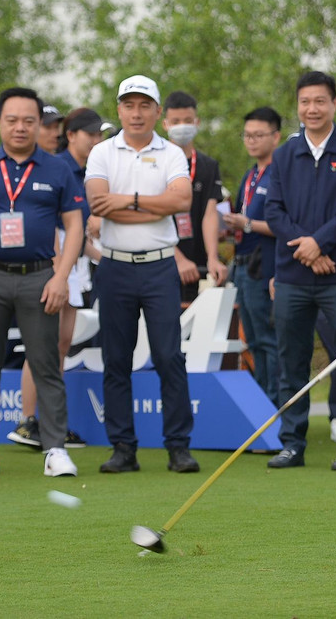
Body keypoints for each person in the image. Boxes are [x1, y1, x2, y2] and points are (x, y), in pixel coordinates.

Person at [0, 87, 83, 479]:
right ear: (0, 122)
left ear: (40, 124)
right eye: (12, 120)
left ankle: (55, 448)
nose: (20, 127)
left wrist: (61, 277)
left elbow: (75, 225)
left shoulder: (58, 170)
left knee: (46, 365)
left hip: (40, 277)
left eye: (28, 120)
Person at [85, 74, 199, 475]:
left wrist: (128, 200)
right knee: (116, 359)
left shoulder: (171, 153)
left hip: (159, 265)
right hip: (114, 266)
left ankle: (178, 446)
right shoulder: (102, 152)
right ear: (119, 109)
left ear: (157, 112)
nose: (136, 113)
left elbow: (181, 200)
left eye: (144, 105)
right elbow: (98, 204)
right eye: (129, 105)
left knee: (170, 356)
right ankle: (123, 447)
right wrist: (155, 205)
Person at [263, 71, 336, 471]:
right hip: (294, 276)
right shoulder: (283, 154)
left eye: (320, 101)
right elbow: (273, 211)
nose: (312, 109)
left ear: (334, 104)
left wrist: (320, 243)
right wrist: (308, 250)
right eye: (305, 101)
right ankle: (292, 442)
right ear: (298, 105)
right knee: (290, 362)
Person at [7, 106, 109, 449]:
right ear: (72, 136)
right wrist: (57, 272)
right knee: (44, 345)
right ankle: (28, 421)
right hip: (56, 263)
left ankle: (50, 421)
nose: (97, 140)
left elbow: (82, 231)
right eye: (91, 134)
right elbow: (52, 225)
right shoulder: (59, 167)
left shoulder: (86, 169)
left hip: (74, 263)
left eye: (99, 135)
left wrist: (104, 260)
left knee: (61, 345)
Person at [222, 106, 282, 400]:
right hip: (243, 264)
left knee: (268, 337)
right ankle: (261, 398)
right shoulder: (250, 175)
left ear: (276, 136)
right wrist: (233, 226)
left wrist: (247, 223)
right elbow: (244, 218)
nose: (252, 141)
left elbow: (285, 224)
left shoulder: (280, 173)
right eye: (247, 135)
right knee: (253, 339)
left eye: (259, 135)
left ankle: (274, 402)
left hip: (266, 266)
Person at [162, 91, 227, 304]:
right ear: (165, 124)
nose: (182, 126)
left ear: (197, 122)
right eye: (176, 121)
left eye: (188, 121)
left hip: (198, 262)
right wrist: (178, 258)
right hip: (163, 260)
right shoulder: (155, 162)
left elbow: (210, 214)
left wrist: (212, 258)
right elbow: (151, 216)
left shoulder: (208, 166)